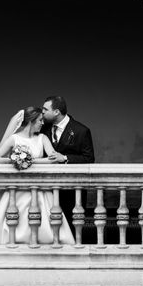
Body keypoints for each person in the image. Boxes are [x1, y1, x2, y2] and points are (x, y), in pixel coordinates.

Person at [0, 107, 75, 245]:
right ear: (31, 121)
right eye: (40, 120)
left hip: (39, 188)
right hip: (16, 188)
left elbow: (53, 158)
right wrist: (14, 160)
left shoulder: (42, 138)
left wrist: (28, 160)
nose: (42, 123)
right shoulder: (14, 139)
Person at [41, 95, 95, 227]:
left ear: (56, 112)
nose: (42, 112)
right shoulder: (42, 128)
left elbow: (89, 158)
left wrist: (65, 158)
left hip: (72, 188)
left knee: (71, 225)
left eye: (45, 109)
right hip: (46, 187)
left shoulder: (81, 131)